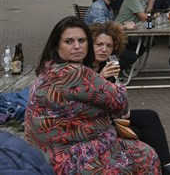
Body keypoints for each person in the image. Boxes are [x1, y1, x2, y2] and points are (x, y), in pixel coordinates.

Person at [25, 17, 160, 174]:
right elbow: (121, 102)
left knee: (144, 126)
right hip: (69, 157)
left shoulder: (48, 68)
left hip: (45, 151)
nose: (77, 46)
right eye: (69, 41)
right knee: (146, 155)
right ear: (56, 46)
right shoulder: (75, 72)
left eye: (82, 41)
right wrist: (113, 83)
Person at [90, 22, 170, 175]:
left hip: (112, 115)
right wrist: (101, 78)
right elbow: (86, 97)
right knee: (142, 133)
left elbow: (117, 99)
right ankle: (165, 169)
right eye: (99, 44)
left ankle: (168, 167)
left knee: (150, 116)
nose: (104, 49)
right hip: (94, 121)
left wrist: (115, 83)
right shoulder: (83, 68)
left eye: (109, 45)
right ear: (90, 44)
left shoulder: (105, 64)